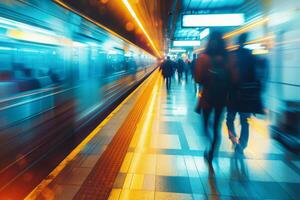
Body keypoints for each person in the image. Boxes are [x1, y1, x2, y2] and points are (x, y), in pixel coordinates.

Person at [194, 31, 233, 164]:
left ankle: (210, 143)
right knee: (217, 127)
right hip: (222, 99)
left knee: (205, 127)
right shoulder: (228, 58)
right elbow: (234, 79)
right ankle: (212, 152)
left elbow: (198, 79)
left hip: (207, 99)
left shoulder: (203, 58)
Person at [226, 33, 260, 154]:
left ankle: (234, 140)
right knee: (245, 121)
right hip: (247, 95)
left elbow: (227, 76)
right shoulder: (251, 55)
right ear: (246, 41)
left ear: (237, 42)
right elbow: (256, 76)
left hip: (233, 94)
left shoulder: (232, 55)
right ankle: (243, 143)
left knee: (230, 119)